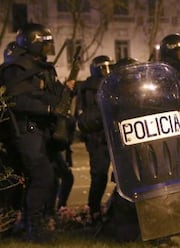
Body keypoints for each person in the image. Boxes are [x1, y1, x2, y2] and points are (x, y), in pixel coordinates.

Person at [0, 22, 76, 242]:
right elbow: (18, 100)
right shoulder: (17, 67)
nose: (47, 49)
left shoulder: (42, 67)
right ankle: (35, 227)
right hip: (25, 127)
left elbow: (50, 94)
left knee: (46, 177)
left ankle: (29, 223)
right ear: (31, 43)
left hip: (41, 128)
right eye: (43, 45)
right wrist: (49, 109)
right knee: (42, 175)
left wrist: (65, 92)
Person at [75, 55, 114, 225]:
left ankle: (97, 210)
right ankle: (95, 211)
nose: (107, 71)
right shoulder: (94, 86)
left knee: (101, 176)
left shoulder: (89, 86)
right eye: (104, 68)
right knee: (99, 176)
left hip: (101, 138)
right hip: (99, 138)